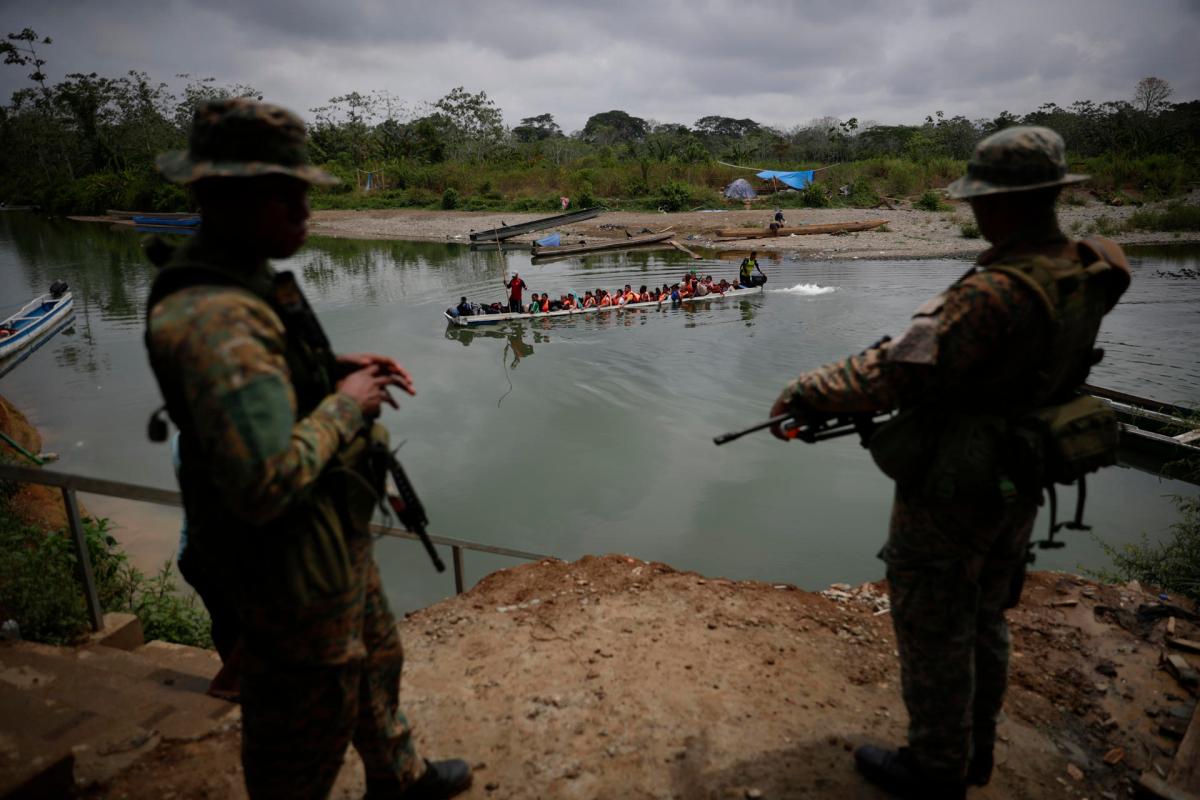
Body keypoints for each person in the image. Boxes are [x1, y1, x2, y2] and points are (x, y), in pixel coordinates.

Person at [766, 126, 1130, 799]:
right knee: (987, 613)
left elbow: (893, 372)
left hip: (959, 478)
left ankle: (935, 769)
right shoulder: (1089, 266)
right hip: (1025, 467)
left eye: (982, 201)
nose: (976, 212)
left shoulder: (994, 291)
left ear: (1006, 203)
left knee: (936, 619)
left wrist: (806, 389)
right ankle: (975, 752)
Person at [144, 98, 471, 800]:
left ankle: (398, 775)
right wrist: (346, 403)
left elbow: (268, 378)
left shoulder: (244, 280)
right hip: (284, 574)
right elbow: (262, 481)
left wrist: (326, 370)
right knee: (302, 732)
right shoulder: (214, 320)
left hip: (326, 540)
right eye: (280, 192)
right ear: (218, 196)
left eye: (302, 190)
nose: (303, 208)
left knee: (378, 662)